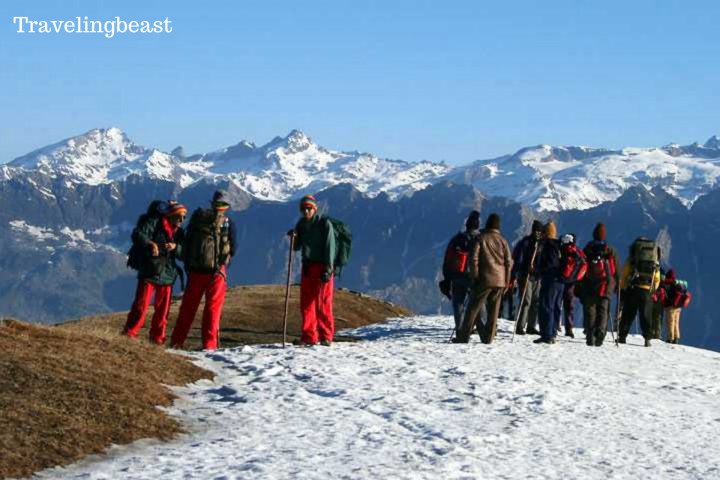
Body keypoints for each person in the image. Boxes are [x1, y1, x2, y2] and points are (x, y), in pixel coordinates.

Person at [170, 190, 237, 350]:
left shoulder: (198, 218)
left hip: (195, 271)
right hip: (216, 273)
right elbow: (233, 247)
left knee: (188, 309)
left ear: (212, 203)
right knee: (212, 310)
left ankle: (176, 343)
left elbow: (187, 239)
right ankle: (209, 346)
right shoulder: (228, 223)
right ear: (226, 206)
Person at [124, 201, 187, 344]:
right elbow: (138, 234)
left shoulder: (180, 233)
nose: (181, 220)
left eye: (184, 217)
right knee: (141, 306)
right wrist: (150, 244)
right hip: (150, 272)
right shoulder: (155, 223)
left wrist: (175, 247)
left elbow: (185, 254)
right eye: (179, 216)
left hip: (167, 275)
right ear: (171, 215)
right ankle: (129, 334)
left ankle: (157, 340)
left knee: (162, 311)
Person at [454, 213, 512, 344]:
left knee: (472, 309)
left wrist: (474, 276)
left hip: (484, 279)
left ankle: (463, 337)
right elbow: (509, 262)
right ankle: (488, 338)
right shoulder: (503, 241)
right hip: (500, 280)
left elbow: (473, 259)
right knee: (494, 311)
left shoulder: (480, 238)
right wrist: (507, 281)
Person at [289, 195, 337, 347]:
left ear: (314, 209)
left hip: (323, 267)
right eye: (303, 209)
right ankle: (309, 336)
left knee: (323, 303)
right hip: (308, 267)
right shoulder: (301, 224)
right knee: (306, 303)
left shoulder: (324, 224)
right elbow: (296, 247)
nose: (305, 211)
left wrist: (329, 269)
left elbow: (330, 247)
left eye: (308, 208)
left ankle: (326, 336)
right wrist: (294, 237)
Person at [577, 223, 620, 346]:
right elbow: (616, 269)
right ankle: (600, 333)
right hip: (606, 284)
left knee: (590, 310)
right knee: (603, 310)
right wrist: (617, 284)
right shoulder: (610, 249)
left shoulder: (588, 248)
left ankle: (590, 336)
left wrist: (580, 283)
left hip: (590, 284)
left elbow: (582, 265)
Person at [441, 211, 484, 333]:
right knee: (478, 303)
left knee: (458, 302)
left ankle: (460, 329)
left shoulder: (457, 239)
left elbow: (447, 259)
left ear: (466, 225)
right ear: (477, 226)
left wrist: (447, 278)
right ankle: (482, 329)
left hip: (457, 276)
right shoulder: (482, 239)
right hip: (475, 277)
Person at [618, 237, 661, 347]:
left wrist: (622, 288)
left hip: (633, 288)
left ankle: (622, 336)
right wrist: (652, 289)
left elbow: (624, 274)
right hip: (647, 290)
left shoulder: (632, 259)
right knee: (646, 315)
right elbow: (657, 278)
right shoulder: (654, 260)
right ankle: (647, 339)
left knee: (628, 314)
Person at [511, 220, 544, 335]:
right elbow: (518, 260)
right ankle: (520, 326)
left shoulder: (541, 244)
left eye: (539, 231)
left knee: (535, 302)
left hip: (537, 277)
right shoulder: (526, 243)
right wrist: (516, 274)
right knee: (526, 301)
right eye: (536, 230)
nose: (538, 233)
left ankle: (531, 326)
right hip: (526, 276)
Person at [534, 221, 563, 344]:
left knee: (546, 306)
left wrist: (539, 271)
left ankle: (547, 334)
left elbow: (550, 264)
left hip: (550, 280)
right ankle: (553, 332)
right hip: (560, 281)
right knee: (555, 306)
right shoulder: (559, 245)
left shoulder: (549, 245)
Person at [559, 233, 586, 338]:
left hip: (560, 281)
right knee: (569, 306)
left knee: (557, 304)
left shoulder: (561, 249)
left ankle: (555, 325)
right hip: (572, 282)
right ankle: (569, 329)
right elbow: (584, 265)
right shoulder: (578, 252)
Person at [660, 269, 691, 344]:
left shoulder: (665, 285)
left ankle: (670, 338)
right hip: (678, 307)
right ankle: (676, 337)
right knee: (676, 322)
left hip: (670, 307)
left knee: (670, 322)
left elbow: (662, 295)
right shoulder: (677, 284)